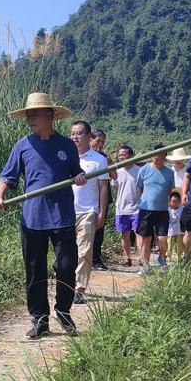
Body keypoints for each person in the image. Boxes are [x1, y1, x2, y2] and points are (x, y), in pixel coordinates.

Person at [0, 92, 87, 339]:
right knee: (34, 270)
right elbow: (7, 176)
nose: (29, 119)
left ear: (50, 115)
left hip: (63, 217)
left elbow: (75, 174)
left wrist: (78, 178)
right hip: (32, 219)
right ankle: (40, 319)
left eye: (34, 114)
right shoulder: (23, 145)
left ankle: (63, 312)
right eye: (27, 115)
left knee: (66, 266)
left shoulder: (67, 145)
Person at [69, 121, 109, 305]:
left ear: (88, 136)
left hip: (88, 211)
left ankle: (79, 288)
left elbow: (103, 187)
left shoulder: (98, 160)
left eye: (79, 133)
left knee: (84, 250)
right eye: (73, 134)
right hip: (66, 211)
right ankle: (67, 283)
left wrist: (101, 212)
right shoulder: (66, 156)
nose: (75, 137)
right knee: (68, 251)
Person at [136, 149, 173, 275]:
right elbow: (140, 188)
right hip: (145, 209)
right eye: (157, 159)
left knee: (162, 237)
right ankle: (145, 266)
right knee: (146, 238)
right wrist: (146, 200)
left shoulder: (169, 172)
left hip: (162, 210)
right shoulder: (144, 170)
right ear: (152, 156)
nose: (160, 161)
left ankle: (161, 258)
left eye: (162, 159)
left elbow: (170, 190)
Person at [90, 129, 115, 270]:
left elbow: (114, 176)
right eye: (97, 141)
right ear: (90, 140)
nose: (100, 144)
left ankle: (96, 259)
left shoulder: (104, 157)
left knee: (99, 229)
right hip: (89, 198)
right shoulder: (85, 156)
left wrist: (110, 164)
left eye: (102, 142)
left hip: (103, 198)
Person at [113, 146, 140, 266]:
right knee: (124, 233)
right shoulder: (117, 172)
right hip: (122, 207)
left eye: (124, 154)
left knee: (138, 232)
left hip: (137, 207)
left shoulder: (139, 171)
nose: (122, 157)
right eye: (120, 155)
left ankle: (141, 258)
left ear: (131, 156)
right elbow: (115, 187)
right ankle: (127, 257)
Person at [167, 190, 184, 262]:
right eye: (173, 201)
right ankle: (168, 257)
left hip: (180, 231)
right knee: (169, 245)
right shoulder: (168, 209)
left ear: (180, 202)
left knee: (179, 245)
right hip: (170, 232)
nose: (174, 203)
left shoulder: (182, 209)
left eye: (176, 202)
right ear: (170, 202)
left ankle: (179, 257)